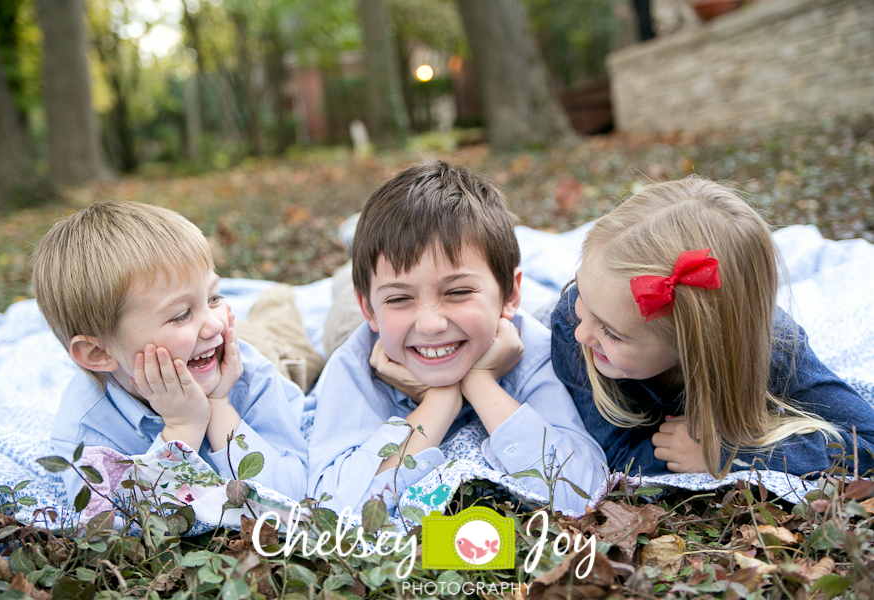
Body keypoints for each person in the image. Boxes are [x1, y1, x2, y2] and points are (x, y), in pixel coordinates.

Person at [307, 161, 607, 514]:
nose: (431, 324)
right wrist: (441, 401)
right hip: (352, 321)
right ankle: (351, 251)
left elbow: (583, 490)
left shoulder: (535, 349)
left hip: (432, 324)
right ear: (370, 310)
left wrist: (480, 383)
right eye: (400, 298)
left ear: (510, 296)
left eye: (458, 291)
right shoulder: (353, 361)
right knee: (338, 296)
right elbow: (331, 507)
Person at [551, 177, 874, 478]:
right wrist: (667, 458)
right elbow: (614, 457)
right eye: (584, 294)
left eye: (612, 333)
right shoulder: (570, 323)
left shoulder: (775, 348)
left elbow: (867, 445)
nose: (584, 333)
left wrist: (729, 454)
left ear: (696, 346)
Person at [31, 201, 309, 504]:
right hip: (201, 351)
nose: (213, 324)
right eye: (180, 315)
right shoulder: (84, 431)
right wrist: (183, 428)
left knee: (279, 322)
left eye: (215, 296)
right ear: (98, 353)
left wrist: (219, 404)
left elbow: (290, 494)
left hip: (267, 349)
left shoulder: (250, 370)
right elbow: (120, 520)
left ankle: (278, 297)